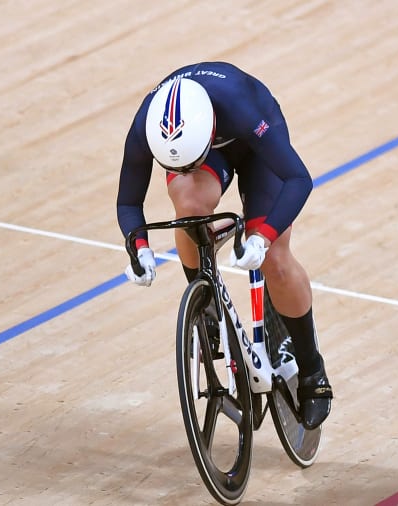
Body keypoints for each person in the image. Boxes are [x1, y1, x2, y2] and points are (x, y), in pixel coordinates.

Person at [116, 61, 332, 429]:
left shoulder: (242, 106)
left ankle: (312, 371)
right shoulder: (147, 124)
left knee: (275, 259)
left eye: (190, 161)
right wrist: (138, 248)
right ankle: (207, 308)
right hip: (208, 146)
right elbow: (128, 202)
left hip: (256, 143)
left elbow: (299, 179)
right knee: (189, 207)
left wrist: (263, 239)